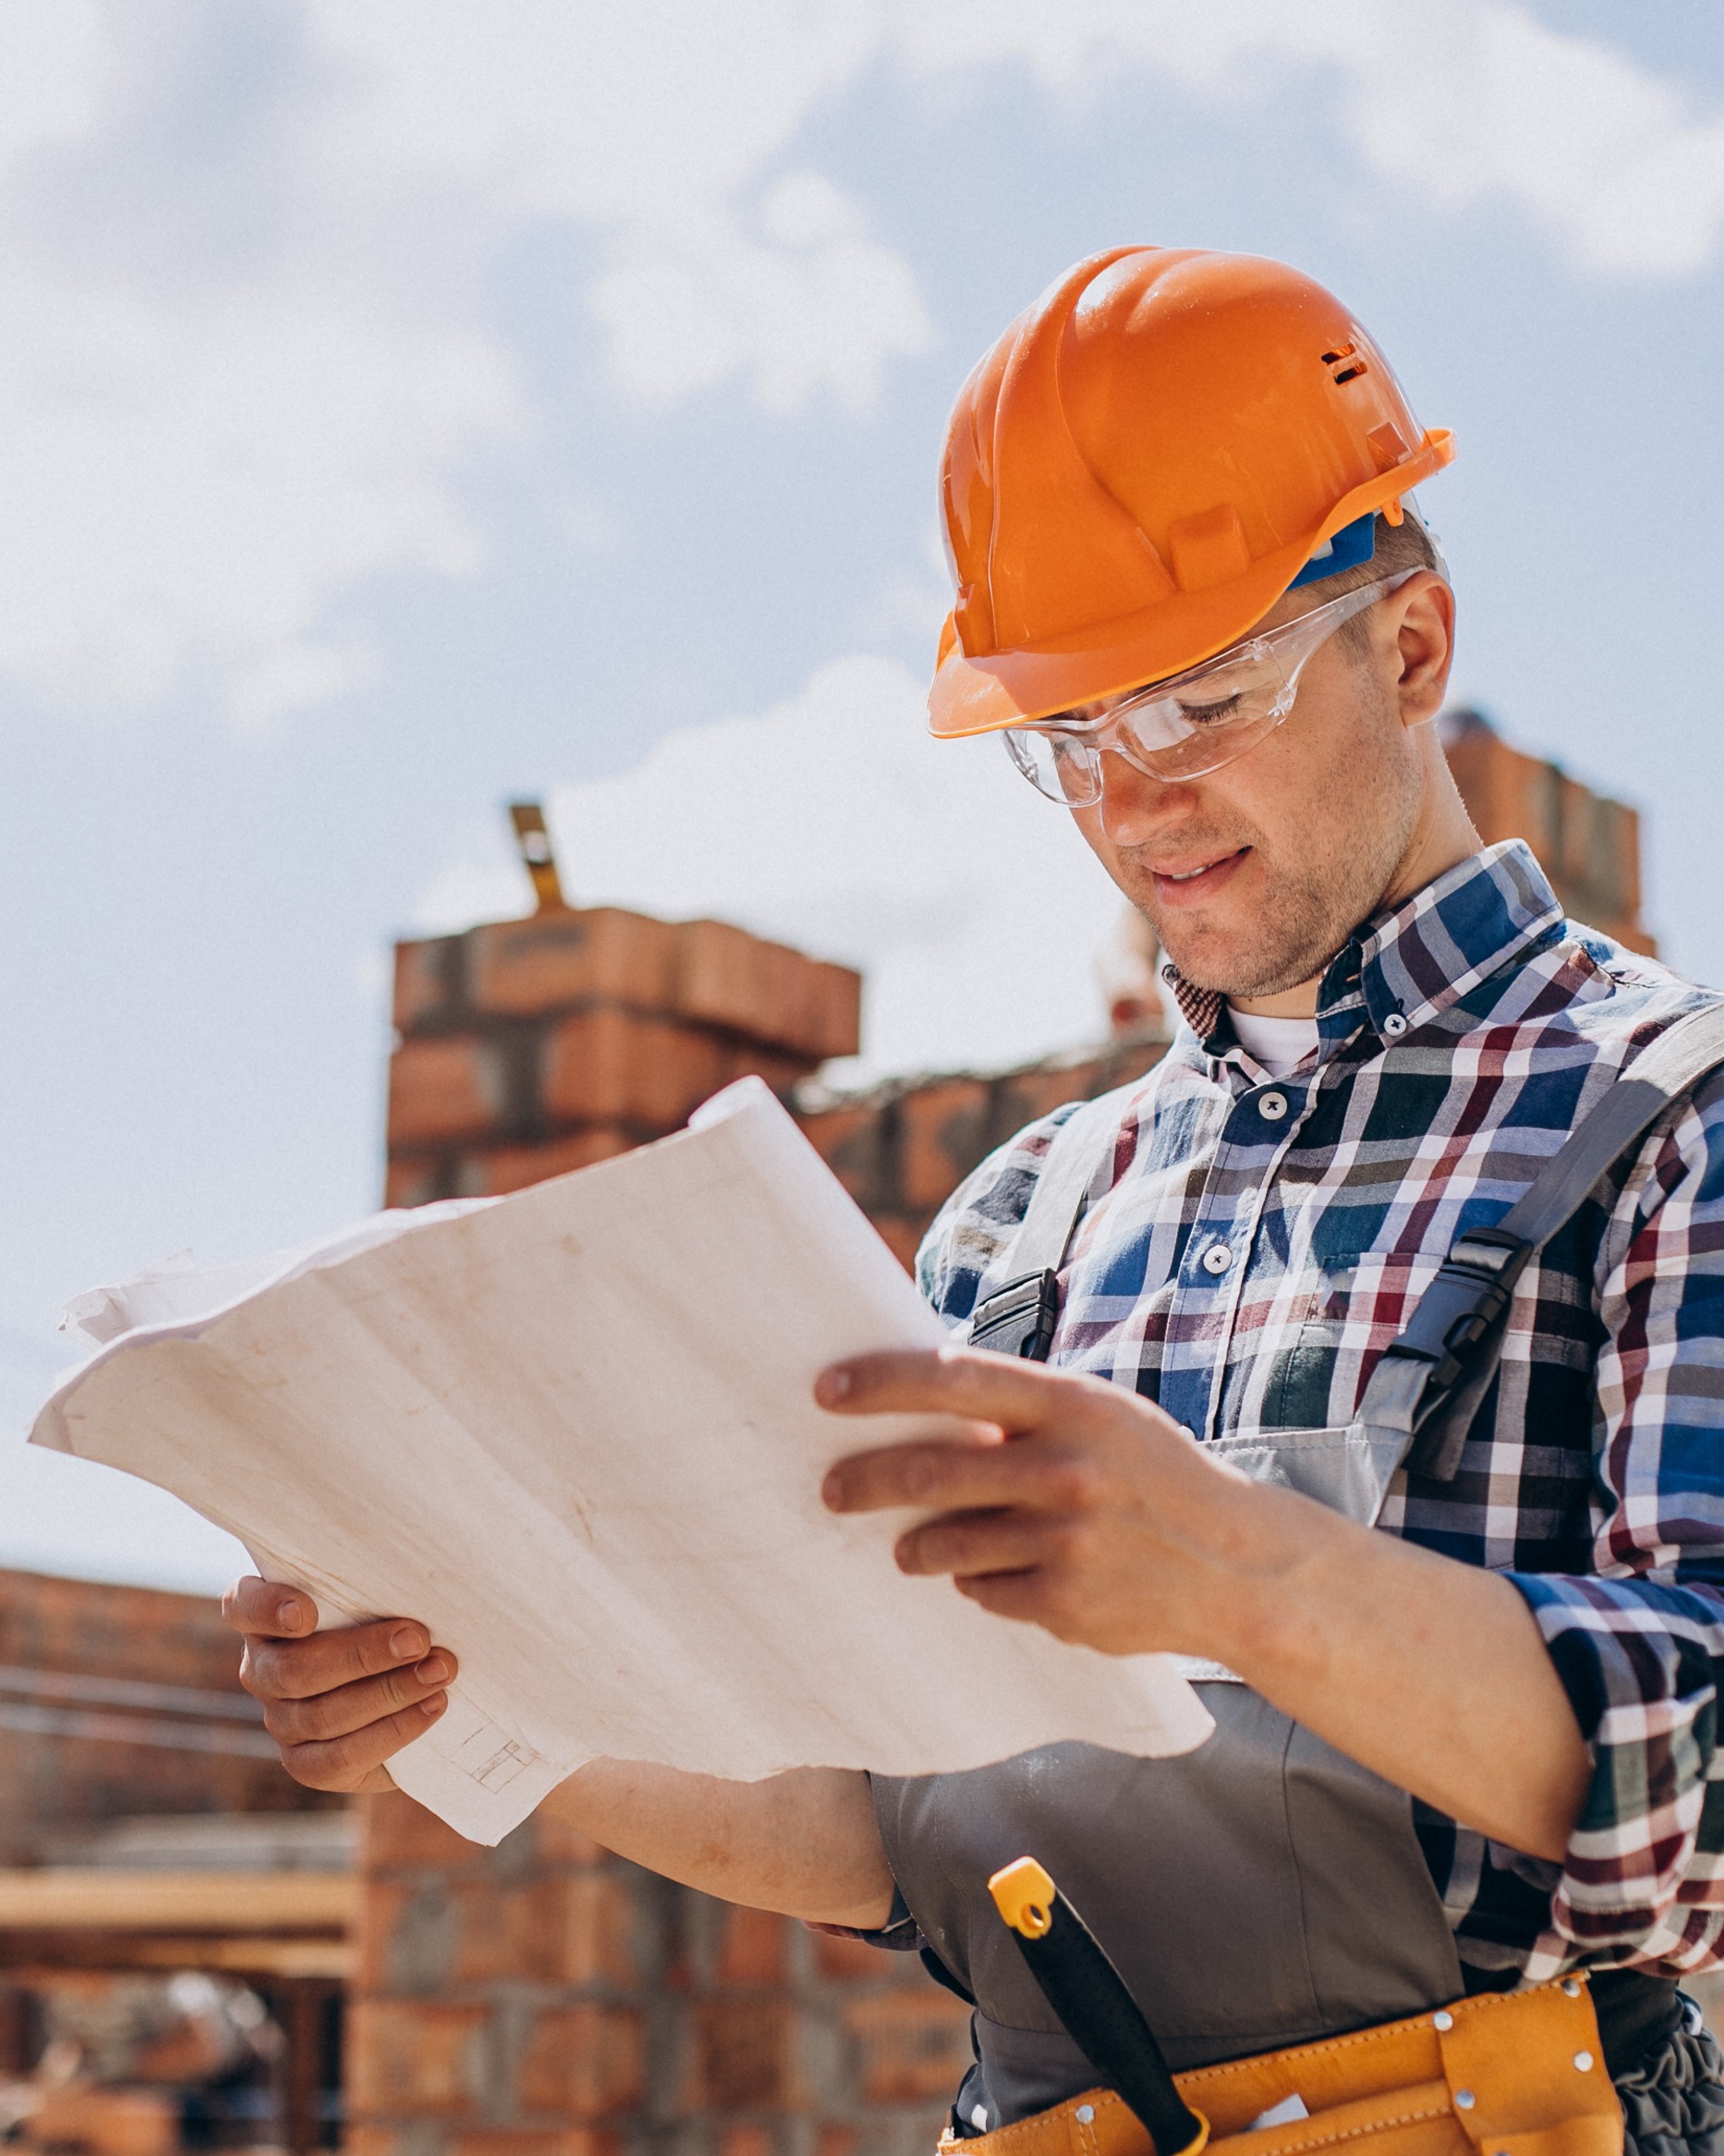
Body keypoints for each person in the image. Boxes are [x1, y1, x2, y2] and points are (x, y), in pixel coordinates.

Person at [223, 248, 1724, 2149]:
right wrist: (460, 1695)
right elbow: (889, 1825)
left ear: (1409, 646)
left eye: (1204, 699)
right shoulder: (1032, 1219)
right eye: (1074, 738)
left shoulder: (1664, 1110)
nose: (1137, 801)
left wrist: (1235, 1569)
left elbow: (1704, 1789)